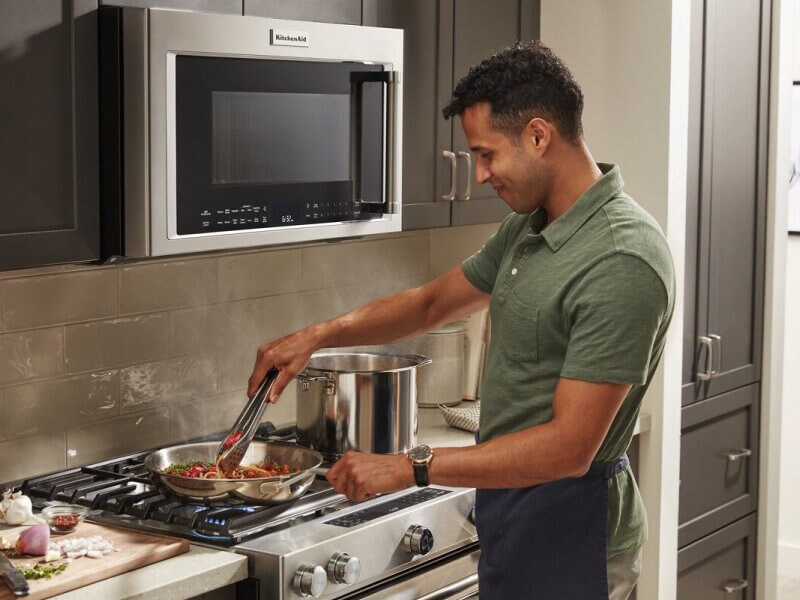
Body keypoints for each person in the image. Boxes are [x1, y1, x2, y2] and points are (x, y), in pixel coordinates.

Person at [248, 41, 675, 600]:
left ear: (539, 136)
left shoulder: (622, 258)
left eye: (487, 154)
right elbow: (429, 305)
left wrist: (410, 467)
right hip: (513, 517)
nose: (478, 175)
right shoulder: (531, 227)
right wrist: (316, 337)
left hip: (577, 536)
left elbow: (570, 448)